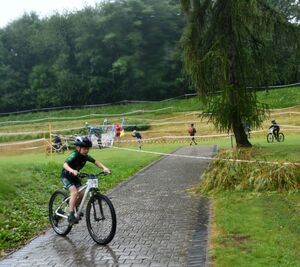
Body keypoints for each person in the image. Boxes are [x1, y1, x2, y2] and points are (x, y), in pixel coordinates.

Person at [61, 136, 110, 224]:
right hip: (66, 176)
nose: (86, 150)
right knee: (74, 192)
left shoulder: (85, 156)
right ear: (78, 148)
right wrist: (72, 170)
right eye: (84, 148)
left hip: (75, 176)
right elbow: (65, 165)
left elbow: (96, 162)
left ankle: (72, 207)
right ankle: (71, 214)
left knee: (82, 194)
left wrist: (104, 168)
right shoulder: (74, 155)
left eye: (88, 149)